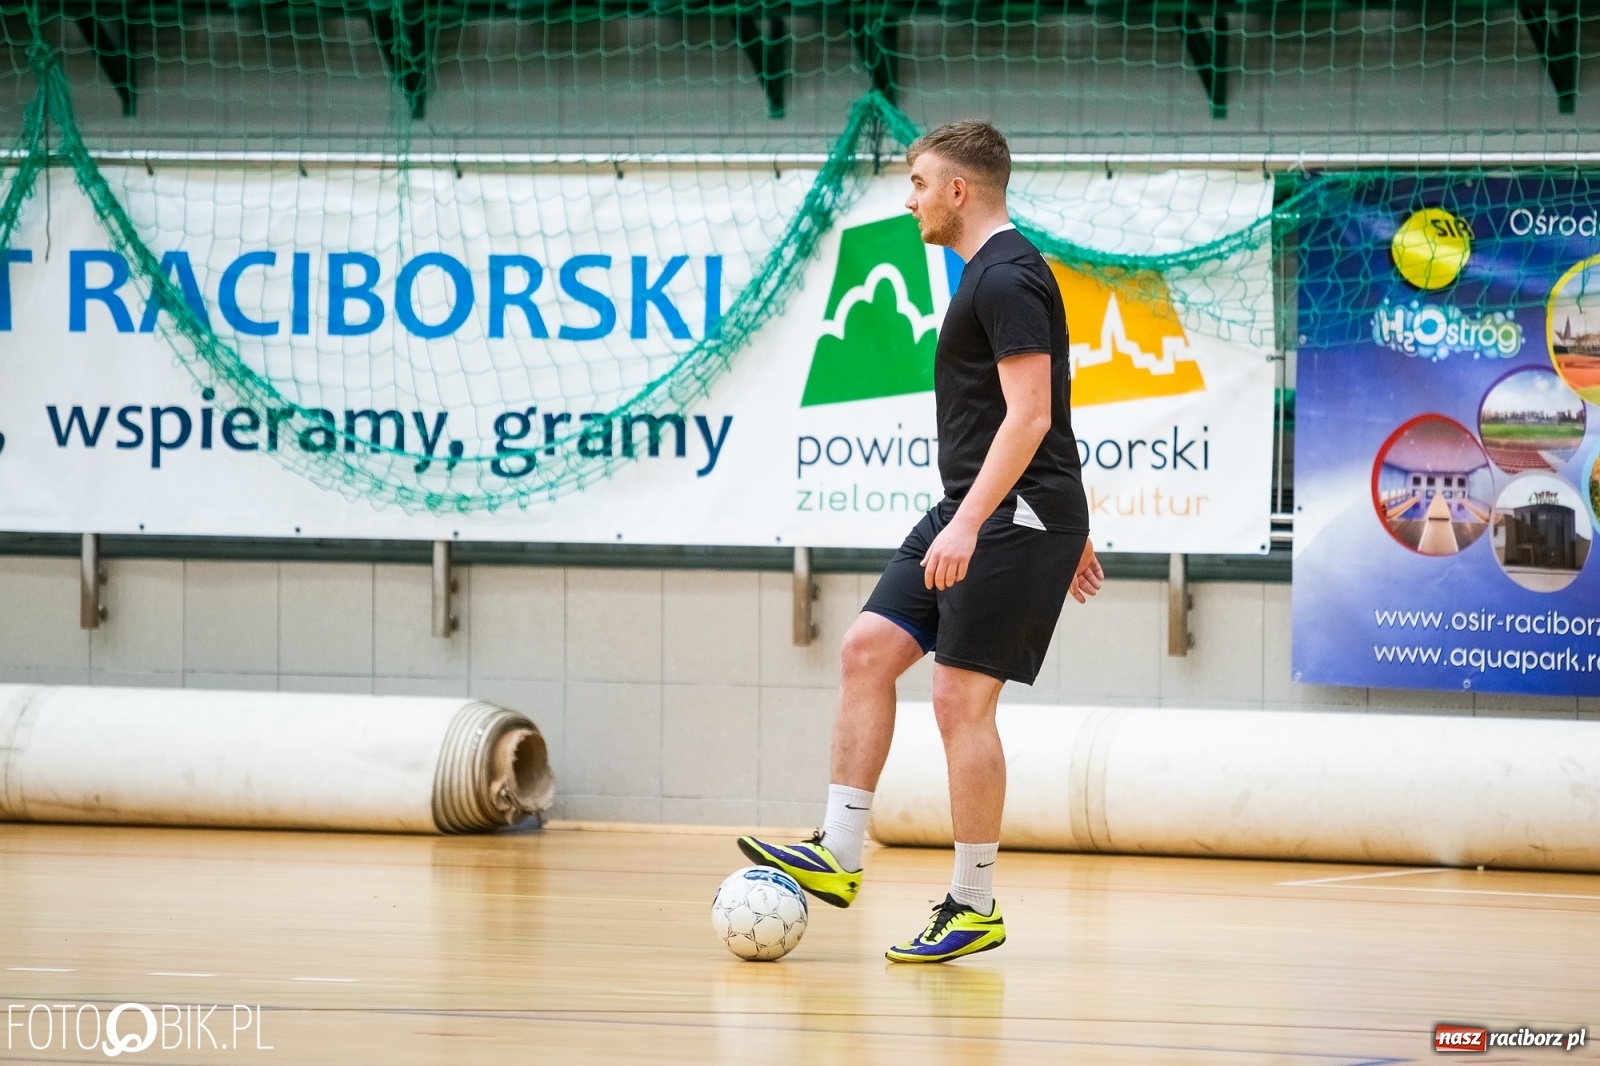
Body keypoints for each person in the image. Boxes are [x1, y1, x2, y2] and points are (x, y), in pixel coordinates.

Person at [738, 120, 1103, 963]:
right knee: (867, 650)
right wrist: (1056, 515)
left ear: (959, 191)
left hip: (1009, 514)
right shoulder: (991, 273)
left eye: (918, 184)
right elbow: (1051, 407)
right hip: (991, 504)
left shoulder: (1008, 275)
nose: (910, 201)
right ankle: (836, 851)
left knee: (956, 702)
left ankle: (973, 904)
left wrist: (994, 521)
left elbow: (1035, 413)